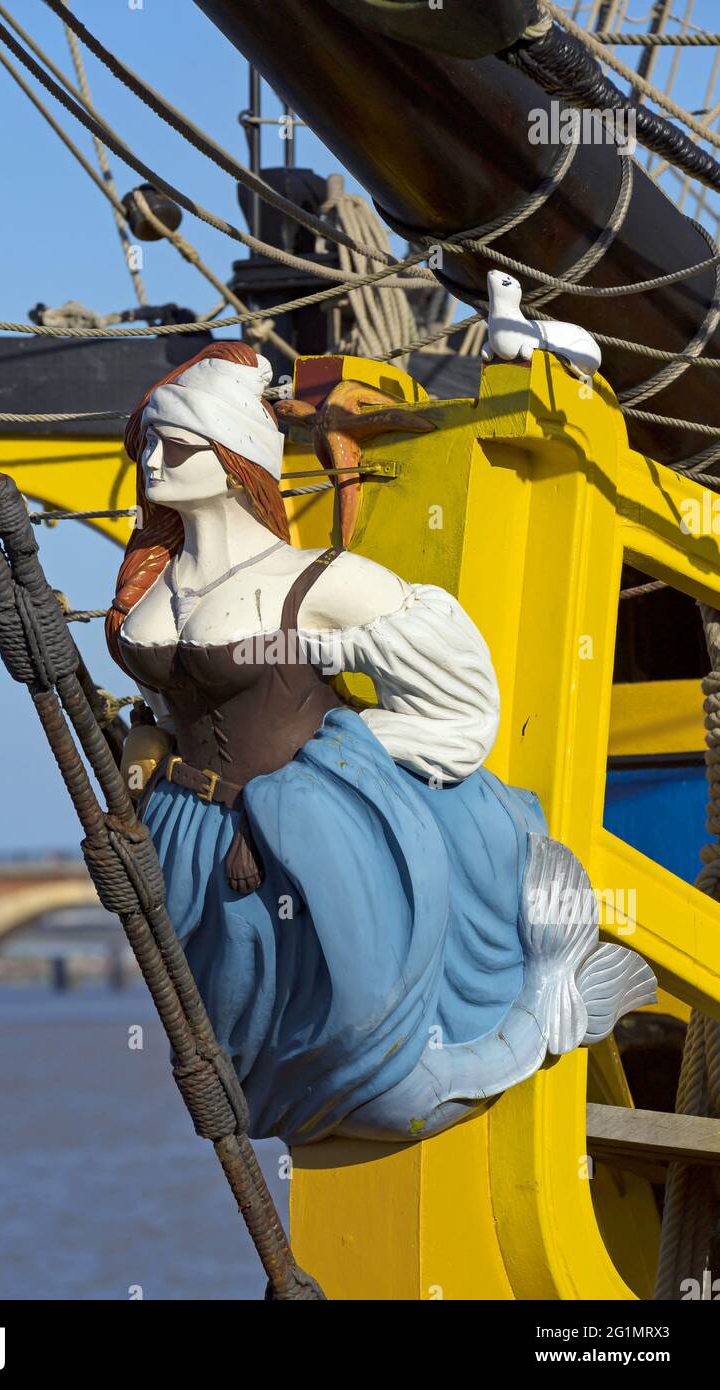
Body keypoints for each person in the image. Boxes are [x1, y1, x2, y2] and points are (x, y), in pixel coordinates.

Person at [105, 341, 655, 1146]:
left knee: (369, 1060)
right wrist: (142, 752)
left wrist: (342, 765)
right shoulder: (153, 589)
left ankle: (539, 1009)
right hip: (191, 844)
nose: (152, 459)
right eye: (145, 442)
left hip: (304, 840)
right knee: (230, 1058)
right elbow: (163, 703)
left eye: (176, 444)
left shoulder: (319, 583)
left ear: (234, 461)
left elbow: (461, 700)